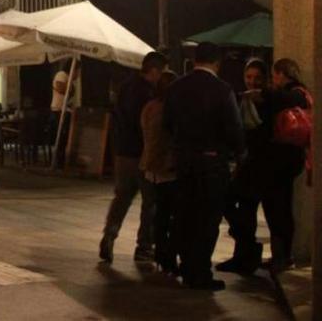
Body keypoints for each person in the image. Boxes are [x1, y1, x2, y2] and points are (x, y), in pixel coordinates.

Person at [164, 42, 245, 291]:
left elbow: (167, 123)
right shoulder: (222, 90)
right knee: (208, 218)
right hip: (212, 162)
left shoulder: (176, 87)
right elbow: (234, 128)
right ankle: (199, 272)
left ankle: (186, 265)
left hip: (185, 160)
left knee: (186, 214)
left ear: (195, 59)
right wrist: (237, 152)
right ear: (217, 62)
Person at [99, 51, 168, 263]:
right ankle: (144, 246)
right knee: (150, 201)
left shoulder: (125, 86)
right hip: (143, 154)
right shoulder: (148, 94)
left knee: (122, 198)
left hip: (122, 153)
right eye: (162, 72)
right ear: (154, 70)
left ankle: (109, 236)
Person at [217, 58, 269, 276]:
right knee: (241, 208)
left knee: (239, 204)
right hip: (246, 163)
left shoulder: (265, 99)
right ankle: (245, 253)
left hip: (258, 164)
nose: (252, 82)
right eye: (249, 77)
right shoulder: (244, 100)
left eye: (257, 78)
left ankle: (246, 252)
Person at [261, 58, 311, 271]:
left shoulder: (297, 93)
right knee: (277, 206)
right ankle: (280, 254)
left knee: (280, 207)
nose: (274, 79)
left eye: (275, 75)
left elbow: (284, 99)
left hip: (286, 157)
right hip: (286, 157)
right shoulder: (296, 94)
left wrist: (264, 93)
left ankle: (284, 255)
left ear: (283, 74)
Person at [139, 70, 179, 273]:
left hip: (150, 167)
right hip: (165, 167)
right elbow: (164, 140)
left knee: (158, 212)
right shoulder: (168, 110)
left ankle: (158, 252)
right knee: (167, 213)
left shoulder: (149, 107)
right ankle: (165, 255)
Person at [49, 60, 80, 162]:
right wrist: (70, 88)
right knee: (62, 136)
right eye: (78, 71)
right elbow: (59, 88)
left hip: (66, 110)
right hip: (58, 110)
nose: (78, 74)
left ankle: (64, 159)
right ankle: (59, 159)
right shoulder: (61, 75)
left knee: (66, 136)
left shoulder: (71, 81)